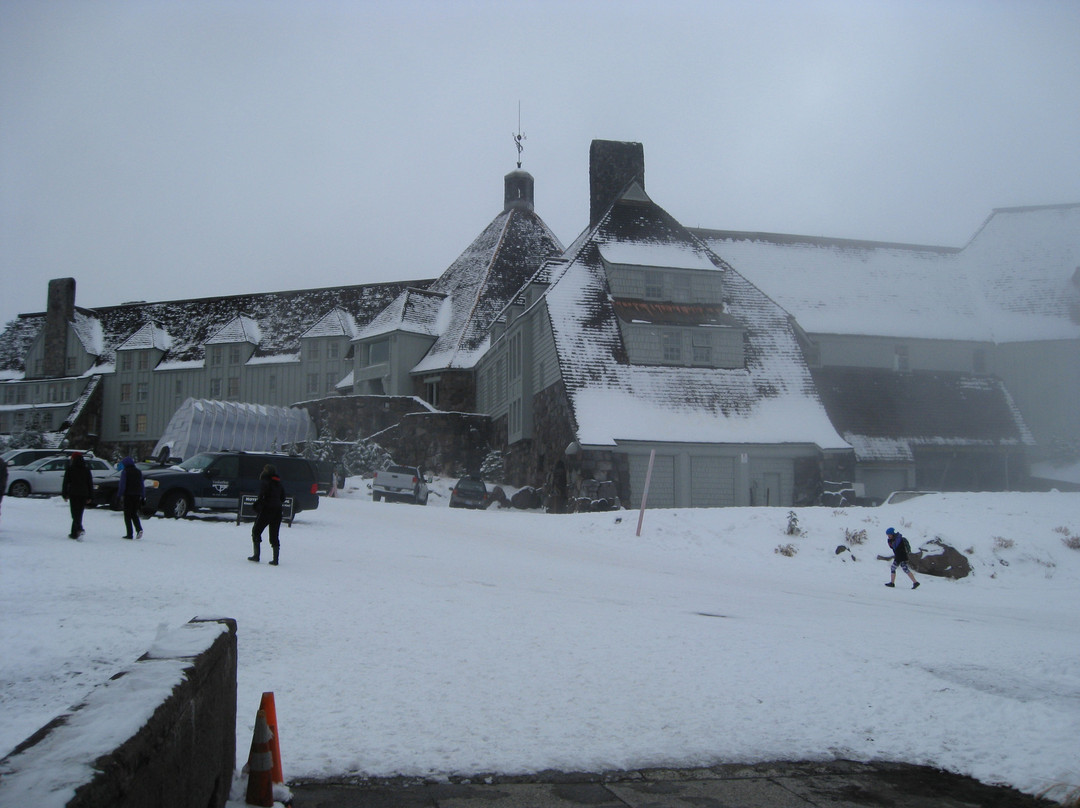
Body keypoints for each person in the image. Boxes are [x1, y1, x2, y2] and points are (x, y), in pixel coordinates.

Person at [249, 464, 285, 565]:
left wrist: (257, 506)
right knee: (274, 534)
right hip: (278, 511)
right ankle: (275, 559)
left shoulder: (265, 482)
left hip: (267, 510)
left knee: (256, 530)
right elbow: (283, 498)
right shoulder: (279, 483)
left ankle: (256, 555)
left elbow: (262, 496)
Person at [61, 452, 94, 539]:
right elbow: (90, 483)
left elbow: (66, 482)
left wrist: (65, 494)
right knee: (79, 513)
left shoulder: (70, 469)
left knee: (74, 513)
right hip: (84, 494)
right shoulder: (86, 469)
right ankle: (74, 533)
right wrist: (90, 496)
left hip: (74, 493)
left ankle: (79, 529)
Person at [118, 456, 145, 539]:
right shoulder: (138, 472)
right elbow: (142, 485)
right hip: (137, 496)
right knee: (134, 513)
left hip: (128, 495)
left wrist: (119, 495)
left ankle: (129, 534)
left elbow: (122, 485)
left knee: (127, 515)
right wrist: (143, 496)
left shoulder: (125, 472)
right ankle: (139, 529)